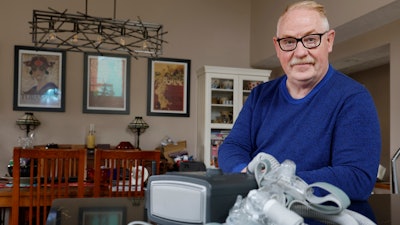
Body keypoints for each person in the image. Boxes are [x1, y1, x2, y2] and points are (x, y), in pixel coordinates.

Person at [218, 0, 381, 201]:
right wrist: (245, 175)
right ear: (277, 47)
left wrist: (274, 182)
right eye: (288, 42)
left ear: (329, 41)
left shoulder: (353, 99)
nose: (300, 52)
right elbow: (232, 147)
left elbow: (357, 178)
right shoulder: (260, 96)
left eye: (311, 39)